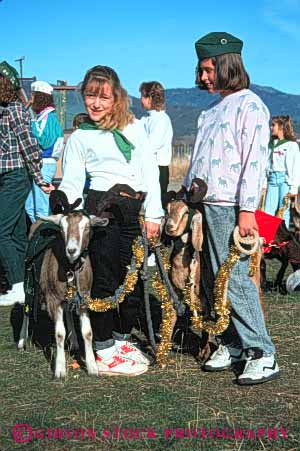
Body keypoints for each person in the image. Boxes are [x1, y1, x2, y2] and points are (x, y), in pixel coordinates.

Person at [184, 32, 279, 385]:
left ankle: (262, 352)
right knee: (212, 279)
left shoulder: (250, 105)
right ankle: (233, 343)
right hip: (205, 205)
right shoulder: (210, 111)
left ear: (228, 66)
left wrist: (247, 209)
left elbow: (255, 161)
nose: (205, 77)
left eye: (210, 70)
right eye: (202, 70)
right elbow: (198, 161)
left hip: (232, 207)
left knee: (237, 280)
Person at [58, 65, 164, 376]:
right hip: (100, 209)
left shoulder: (134, 128)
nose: (95, 103)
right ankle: (102, 347)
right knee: (103, 277)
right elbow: (74, 181)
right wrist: (64, 200)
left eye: (103, 97)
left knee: (129, 274)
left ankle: (119, 338)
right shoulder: (79, 137)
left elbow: (150, 173)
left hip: (131, 209)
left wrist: (154, 214)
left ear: (116, 97)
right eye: (90, 95)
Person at [0, 61, 54, 307]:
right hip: (6, 176)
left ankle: (18, 285)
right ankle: (27, 279)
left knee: (2, 230)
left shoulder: (15, 110)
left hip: (15, 176)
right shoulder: (4, 109)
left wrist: (40, 180)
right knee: (16, 231)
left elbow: (29, 147)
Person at [25, 81, 64, 223]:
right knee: (30, 207)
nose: (31, 98)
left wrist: (30, 127)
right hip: (40, 165)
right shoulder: (42, 117)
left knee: (41, 208)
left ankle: (44, 241)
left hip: (45, 165)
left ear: (39, 97)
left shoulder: (49, 118)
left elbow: (45, 142)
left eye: (33, 95)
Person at [139, 81, 173, 207]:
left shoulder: (161, 119)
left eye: (143, 96)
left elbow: (152, 145)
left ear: (151, 98)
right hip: (146, 166)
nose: (140, 99)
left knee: (155, 203)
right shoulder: (146, 119)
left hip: (158, 167)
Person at [264, 115, 300, 227]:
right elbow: (267, 165)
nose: (271, 127)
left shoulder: (291, 145)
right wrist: (264, 183)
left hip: (284, 180)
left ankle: (283, 240)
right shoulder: (271, 145)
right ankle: (267, 239)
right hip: (272, 179)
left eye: (273, 125)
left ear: (281, 127)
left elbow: (296, 167)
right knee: (268, 210)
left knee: (283, 210)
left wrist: (294, 187)